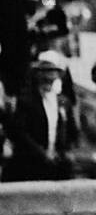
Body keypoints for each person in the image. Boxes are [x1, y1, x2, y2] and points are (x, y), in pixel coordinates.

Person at [2, 51, 78, 181]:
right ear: (37, 74)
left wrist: (66, 151)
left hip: (56, 164)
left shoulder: (64, 102)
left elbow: (72, 131)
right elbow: (19, 133)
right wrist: (42, 153)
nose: (48, 77)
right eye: (45, 72)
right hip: (30, 163)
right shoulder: (26, 101)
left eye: (52, 72)